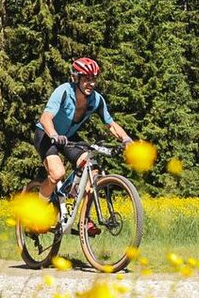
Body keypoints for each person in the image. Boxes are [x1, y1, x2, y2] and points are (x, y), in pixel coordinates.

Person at [34, 57, 133, 203]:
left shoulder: (96, 100)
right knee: (57, 173)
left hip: (69, 137)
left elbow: (111, 124)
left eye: (94, 79)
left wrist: (126, 139)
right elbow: (45, 117)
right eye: (87, 79)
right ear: (76, 78)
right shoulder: (64, 91)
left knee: (92, 170)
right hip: (47, 135)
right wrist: (54, 134)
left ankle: (84, 221)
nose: (91, 84)